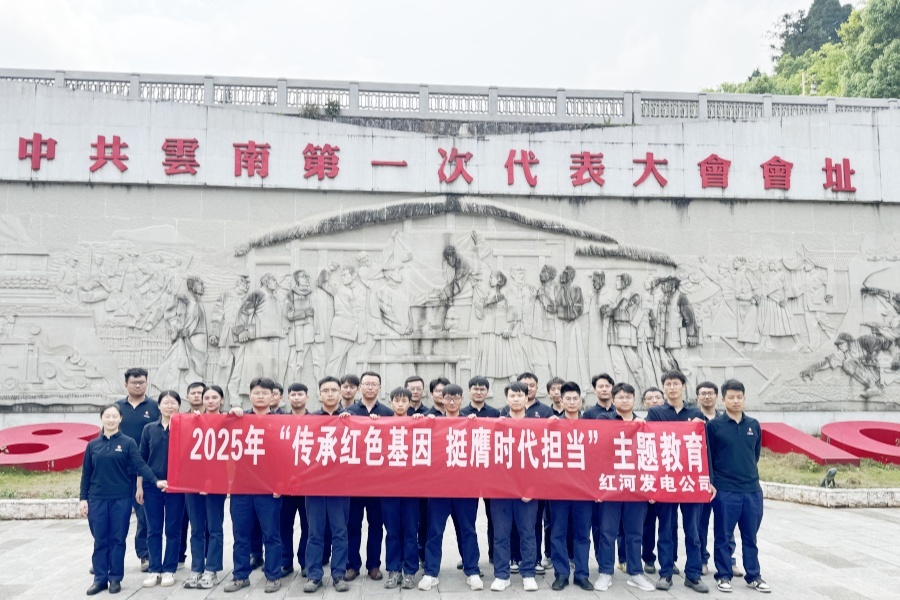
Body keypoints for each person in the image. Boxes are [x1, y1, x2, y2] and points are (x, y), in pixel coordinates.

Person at [80, 404, 167, 596]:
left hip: (121, 499)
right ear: (101, 418)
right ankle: (100, 579)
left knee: (118, 539)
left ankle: (115, 578)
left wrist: (155, 481)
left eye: (114, 416)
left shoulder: (128, 443)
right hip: (97, 498)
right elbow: (86, 474)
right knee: (100, 540)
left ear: (120, 419)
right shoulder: (92, 445)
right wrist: (83, 499)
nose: (111, 420)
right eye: (107, 416)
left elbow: (140, 465)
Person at [647, 370, 708, 593]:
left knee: (693, 531)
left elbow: (704, 449)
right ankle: (665, 573)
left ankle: (693, 575)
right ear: (663, 388)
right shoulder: (655, 413)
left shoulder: (695, 414)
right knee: (665, 529)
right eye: (668, 384)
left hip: (691, 481)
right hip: (665, 480)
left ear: (683, 386)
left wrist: (708, 480)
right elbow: (649, 444)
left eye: (676, 383)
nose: (672, 387)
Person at [707, 380, 771, 593]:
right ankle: (723, 575)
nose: (736, 401)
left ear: (744, 398)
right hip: (725, 490)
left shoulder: (753, 424)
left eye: (739, 397)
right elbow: (709, 457)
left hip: (752, 490)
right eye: (731, 397)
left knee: (750, 536)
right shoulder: (714, 426)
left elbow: (755, 454)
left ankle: (754, 576)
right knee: (723, 536)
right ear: (723, 399)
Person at [418, 384, 483, 592]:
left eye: (456, 398)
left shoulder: (471, 422)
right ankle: (431, 573)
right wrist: (421, 422)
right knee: (435, 531)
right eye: (448, 398)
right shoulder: (432, 422)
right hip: (439, 490)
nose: (452, 402)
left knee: (468, 530)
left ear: (462, 399)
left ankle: (472, 571)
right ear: (441, 399)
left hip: (465, 490)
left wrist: (476, 424)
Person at [594, 383, 655, 592]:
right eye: (620, 397)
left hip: (636, 487)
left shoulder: (645, 424)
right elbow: (599, 448)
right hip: (610, 486)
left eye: (629, 397)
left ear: (634, 400)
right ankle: (605, 572)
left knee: (635, 533)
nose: (625, 400)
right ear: (613, 400)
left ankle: (636, 572)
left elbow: (652, 457)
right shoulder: (604, 419)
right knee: (607, 532)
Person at [225, 377, 284, 594]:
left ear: (273, 396)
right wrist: (231, 415)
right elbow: (218, 436)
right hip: (241, 488)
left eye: (265, 393)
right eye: (256, 393)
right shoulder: (239, 419)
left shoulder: (282, 422)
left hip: (268, 490)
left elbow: (287, 456)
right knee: (241, 535)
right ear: (249, 395)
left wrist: (281, 484)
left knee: (272, 535)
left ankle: (273, 576)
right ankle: (240, 576)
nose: (260, 396)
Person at [490, 381, 540, 592]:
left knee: (527, 533)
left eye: (520, 395)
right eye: (512, 395)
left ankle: (528, 573)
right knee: (501, 534)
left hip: (527, 491)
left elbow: (543, 462)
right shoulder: (497, 424)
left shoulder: (537, 426)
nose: (516, 399)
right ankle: (502, 575)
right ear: (507, 399)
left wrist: (534, 488)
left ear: (527, 398)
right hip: (501, 491)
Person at [183, 385, 233, 590]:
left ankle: (212, 569)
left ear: (221, 400)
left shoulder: (229, 421)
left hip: (216, 483)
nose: (210, 401)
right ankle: (196, 569)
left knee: (214, 528)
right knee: (196, 528)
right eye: (207, 397)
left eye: (215, 397)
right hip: (193, 482)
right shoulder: (192, 421)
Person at [304, 376, 351, 593]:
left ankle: (338, 574)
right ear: (319, 393)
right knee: (315, 533)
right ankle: (314, 575)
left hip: (340, 487)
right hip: (314, 486)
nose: (330, 394)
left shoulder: (350, 419)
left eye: (334, 390)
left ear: (340, 393)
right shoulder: (310, 420)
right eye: (326, 390)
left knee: (340, 531)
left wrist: (350, 422)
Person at [343, 371, 391, 581]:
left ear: (380, 387)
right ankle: (352, 565)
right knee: (352, 524)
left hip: (379, 482)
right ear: (360, 387)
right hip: (354, 481)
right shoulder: (348, 413)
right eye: (367, 384)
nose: (370, 387)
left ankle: (374, 565)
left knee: (376, 525)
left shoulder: (388, 413)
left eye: (374, 384)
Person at [548, 382, 593, 591]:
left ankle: (582, 574)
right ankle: (561, 574)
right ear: (561, 400)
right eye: (568, 399)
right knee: (557, 533)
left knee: (582, 534)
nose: (572, 402)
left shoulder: (590, 427)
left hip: (584, 491)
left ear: (580, 401)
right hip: (559, 490)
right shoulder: (553, 425)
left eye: (575, 399)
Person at [139, 391, 186, 588]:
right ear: (158, 406)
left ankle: (169, 569)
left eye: (173, 403)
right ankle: (154, 569)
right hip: (152, 486)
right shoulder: (149, 429)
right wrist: (140, 486)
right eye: (165, 403)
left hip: (177, 487)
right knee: (153, 529)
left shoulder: (185, 428)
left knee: (173, 530)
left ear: (179, 405)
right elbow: (141, 459)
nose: (169, 406)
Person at [115, 367, 160, 573]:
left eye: (141, 382)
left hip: (144, 470)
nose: (138, 385)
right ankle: (107, 557)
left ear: (146, 383)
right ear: (126, 384)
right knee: (116, 517)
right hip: (119, 471)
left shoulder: (155, 407)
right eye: (134, 382)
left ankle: (145, 555)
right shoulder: (117, 408)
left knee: (144, 516)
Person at [378, 387, 423, 589]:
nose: (400, 404)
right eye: (396, 401)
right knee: (392, 532)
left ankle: (410, 571)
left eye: (404, 401)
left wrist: (424, 421)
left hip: (412, 489)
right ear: (391, 402)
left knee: (410, 531)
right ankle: (394, 570)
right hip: (389, 488)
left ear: (410, 403)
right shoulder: (382, 424)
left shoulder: (417, 423)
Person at [460, 376, 500, 565]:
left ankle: (494, 554)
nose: (478, 392)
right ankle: (468, 558)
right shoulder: (461, 414)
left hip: (491, 474)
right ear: (469, 391)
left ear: (487, 391)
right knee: (467, 519)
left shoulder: (495, 413)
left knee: (494, 518)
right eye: (475, 389)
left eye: (482, 389)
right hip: (468, 475)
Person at [280, 383, 310, 579]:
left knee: (309, 526)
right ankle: (285, 562)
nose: (297, 398)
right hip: (284, 486)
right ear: (288, 397)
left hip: (308, 486)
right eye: (293, 394)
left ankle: (306, 562)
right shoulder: (280, 421)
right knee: (284, 525)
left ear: (307, 397)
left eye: (300, 394)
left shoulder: (316, 420)